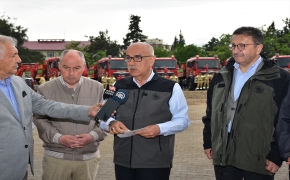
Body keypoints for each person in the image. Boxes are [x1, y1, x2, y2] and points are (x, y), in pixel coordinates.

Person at [0, 34, 103, 180]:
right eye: (13, 55)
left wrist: (87, 110)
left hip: (19, 170)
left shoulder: (16, 82)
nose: (19, 60)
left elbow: (45, 105)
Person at [202, 26, 290, 180]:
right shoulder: (221, 76)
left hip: (259, 160)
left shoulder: (279, 78)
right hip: (224, 158)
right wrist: (208, 142)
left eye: (242, 46)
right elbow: (211, 112)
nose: (236, 50)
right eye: (233, 46)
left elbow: (283, 120)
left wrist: (276, 155)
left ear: (258, 48)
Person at [100, 42, 190, 180]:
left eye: (138, 58)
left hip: (155, 163)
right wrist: (111, 123)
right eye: (128, 58)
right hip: (123, 161)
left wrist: (160, 129)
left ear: (152, 60)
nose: (132, 63)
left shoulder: (171, 87)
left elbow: (183, 121)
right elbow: (103, 115)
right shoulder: (117, 86)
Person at [33, 49, 107, 180]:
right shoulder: (45, 89)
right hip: (56, 158)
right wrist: (58, 138)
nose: (71, 73)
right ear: (59, 65)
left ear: (84, 67)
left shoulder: (98, 88)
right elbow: (39, 120)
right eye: (66, 67)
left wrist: (92, 136)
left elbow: (106, 119)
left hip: (87, 159)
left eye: (77, 68)